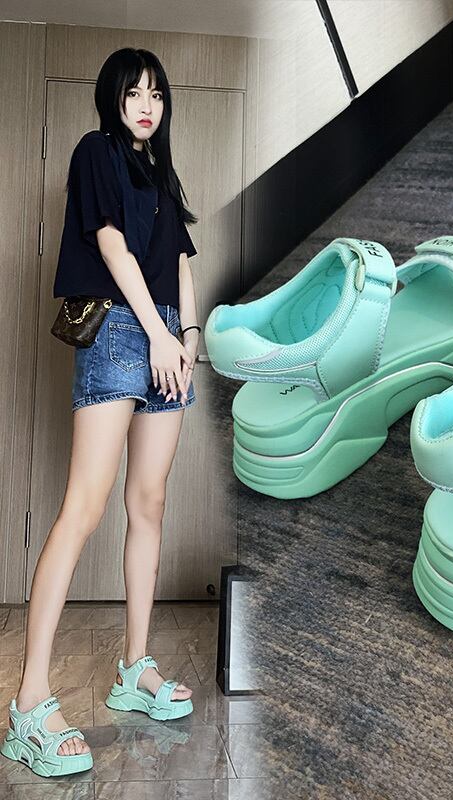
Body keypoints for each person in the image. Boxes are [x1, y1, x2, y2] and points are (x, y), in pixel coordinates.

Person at [2, 47, 201, 777]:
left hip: (168, 338)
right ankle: (28, 705)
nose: (146, 105)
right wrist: (156, 333)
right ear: (112, 98)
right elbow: (111, 245)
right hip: (120, 329)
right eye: (134, 93)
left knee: (149, 502)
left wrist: (187, 337)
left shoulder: (163, 173)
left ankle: (134, 669)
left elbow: (180, 261)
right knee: (83, 510)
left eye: (157, 94)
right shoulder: (97, 152)